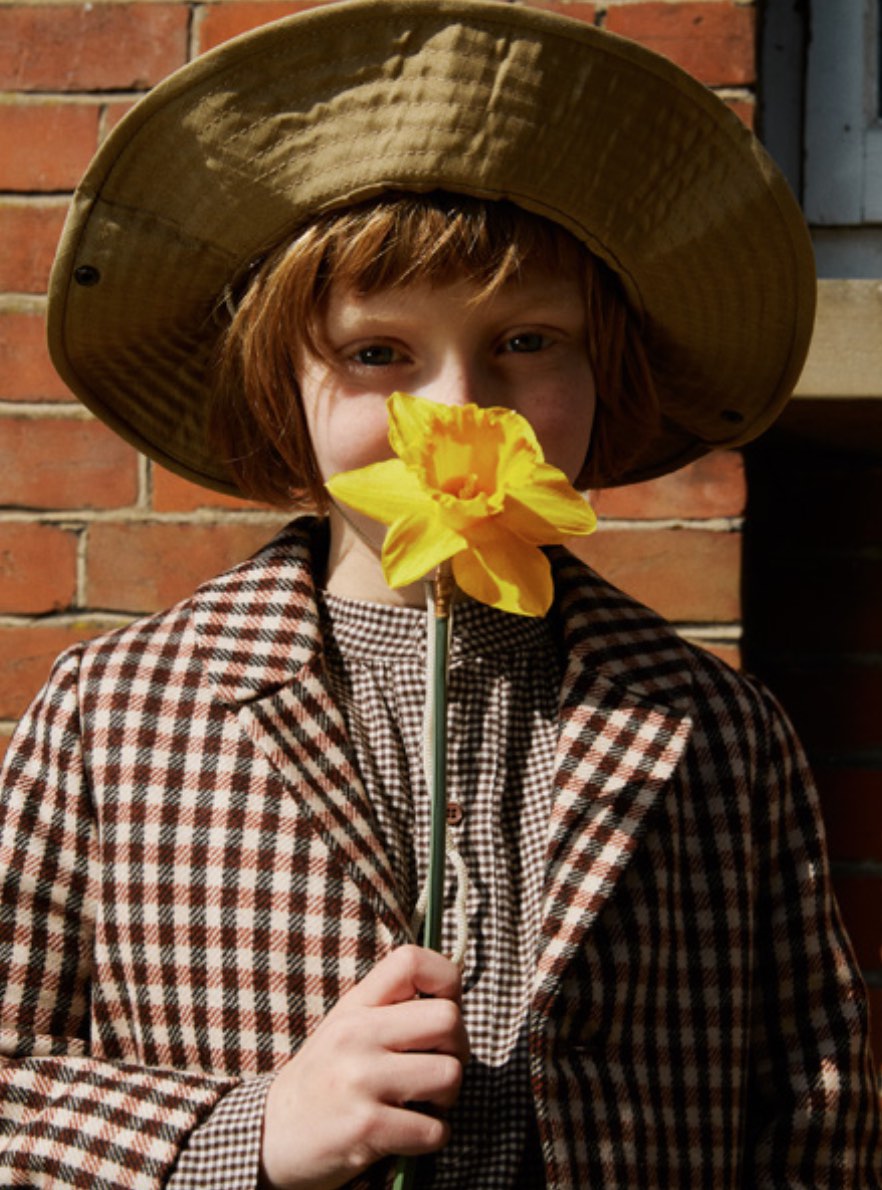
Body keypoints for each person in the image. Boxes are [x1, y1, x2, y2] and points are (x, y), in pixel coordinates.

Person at [0, 1, 879, 1187]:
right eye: (379, 353)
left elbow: (816, 1105)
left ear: (601, 370)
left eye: (526, 340)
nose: (461, 406)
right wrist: (247, 1130)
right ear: (279, 386)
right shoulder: (115, 712)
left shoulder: (716, 728)